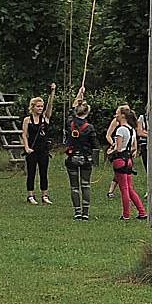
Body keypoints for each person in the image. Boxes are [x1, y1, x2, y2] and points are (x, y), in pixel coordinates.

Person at [64, 92, 100, 220]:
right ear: (87, 112)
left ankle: (77, 212)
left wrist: (79, 95)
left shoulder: (70, 123)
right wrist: (95, 162)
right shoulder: (89, 127)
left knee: (74, 187)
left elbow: (70, 112)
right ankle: (85, 213)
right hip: (86, 160)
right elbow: (95, 145)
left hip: (72, 158)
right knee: (85, 185)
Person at [110, 105, 147, 220]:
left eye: (117, 113)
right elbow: (133, 148)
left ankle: (126, 214)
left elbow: (119, 147)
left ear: (122, 115)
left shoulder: (121, 130)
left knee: (124, 189)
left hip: (120, 160)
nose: (115, 115)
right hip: (128, 160)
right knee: (130, 188)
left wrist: (111, 151)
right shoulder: (131, 129)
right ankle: (142, 212)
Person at [22, 91, 53, 204]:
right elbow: (24, 135)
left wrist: (52, 92)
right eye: (38, 106)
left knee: (43, 173)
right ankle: (30, 195)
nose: (40, 108)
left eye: (41, 106)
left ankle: (45, 195)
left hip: (43, 150)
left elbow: (50, 106)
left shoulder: (45, 118)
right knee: (31, 173)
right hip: (32, 150)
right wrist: (26, 148)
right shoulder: (27, 120)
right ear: (33, 107)